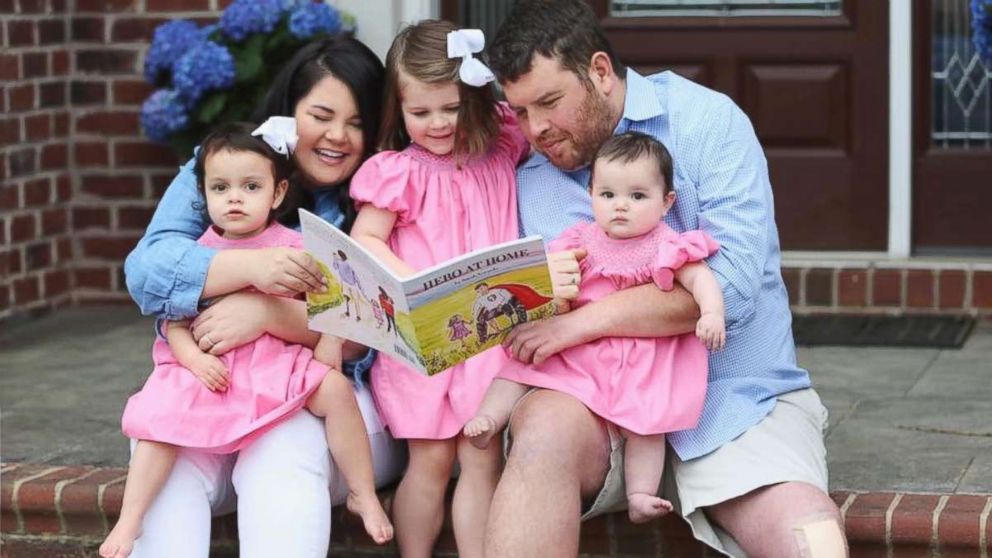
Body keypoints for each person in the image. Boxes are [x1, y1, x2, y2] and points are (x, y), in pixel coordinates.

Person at [484, 1, 846, 557]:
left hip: (731, 396)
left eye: (550, 103)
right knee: (539, 440)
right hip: (593, 400)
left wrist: (581, 323)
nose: (537, 130)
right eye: (522, 112)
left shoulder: (708, 122)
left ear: (600, 71)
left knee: (811, 537)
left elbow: (733, 287)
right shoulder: (534, 177)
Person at [121, 36, 405, 558]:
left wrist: (269, 312)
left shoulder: (390, 187)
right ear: (289, 114)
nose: (338, 136)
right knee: (165, 444)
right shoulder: (231, 166)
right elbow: (146, 273)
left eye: (358, 123)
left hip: (339, 401)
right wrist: (251, 267)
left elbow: (365, 341)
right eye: (321, 115)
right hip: (227, 385)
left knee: (285, 443)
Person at [465, 131, 725, 525]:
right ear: (591, 194)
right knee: (522, 365)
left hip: (640, 357)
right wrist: (554, 297)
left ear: (666, 201)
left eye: (637, 197)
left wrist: (711, 314)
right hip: (581, 350)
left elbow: (701, 281)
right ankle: (488, 417)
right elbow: (551, 288)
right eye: (608, 195)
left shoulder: (668, 245)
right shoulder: (579, 239)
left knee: (646, 423)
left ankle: (640, 493)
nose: (621, 207)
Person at [346, 20, 530, 558]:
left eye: (451, 108)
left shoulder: (500, 149)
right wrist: (409, 283)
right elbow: (366, 240)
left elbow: (510, 112)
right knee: (430, 460)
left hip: (489, 332)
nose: (437, 123)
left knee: (480, 455)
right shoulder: (397, 172)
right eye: (419, 112)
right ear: (399, 109)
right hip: (425, 336)